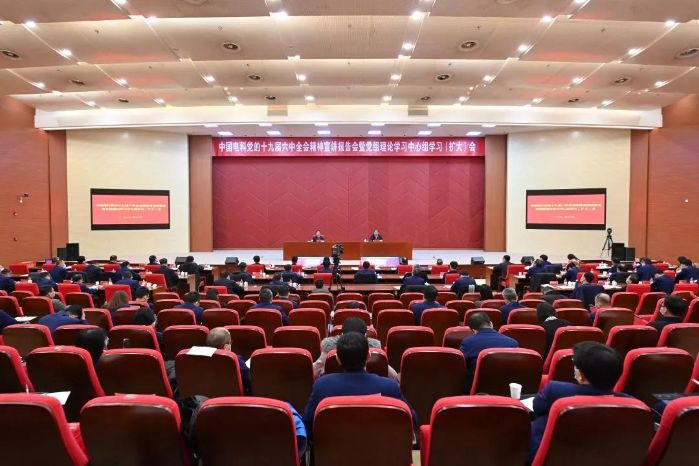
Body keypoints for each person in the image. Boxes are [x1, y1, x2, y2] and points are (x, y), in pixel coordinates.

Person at [529, 342, 627, 461]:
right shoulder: (629, 403)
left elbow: (538, 407)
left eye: (575, 364)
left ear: (581, 375)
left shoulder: (555, 390)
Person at [303, 332, 415, 428]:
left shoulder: (322, 386)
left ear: (338, 359)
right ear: (368, 356)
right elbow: (411, 419)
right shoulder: (389, 387)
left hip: (332, 445)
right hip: (379, 445)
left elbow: (308, 422)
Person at [460, 312, 518, 392]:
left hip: (478, 389)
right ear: (491, 324)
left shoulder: (467, 342)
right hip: (507, 388)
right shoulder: (513, 343)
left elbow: (461, 365)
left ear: (473, 330)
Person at [313, 317, 385, 378]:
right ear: (365, 335)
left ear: (342, 334)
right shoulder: (375, 346)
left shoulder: (328, 345)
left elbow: (316, 368)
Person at [205, 327, 251, 395]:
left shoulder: (203, 358)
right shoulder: (237, 359)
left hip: (209, 395)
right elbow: (249, 380)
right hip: (235, 397)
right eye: (230, 342)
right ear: (226, 347)